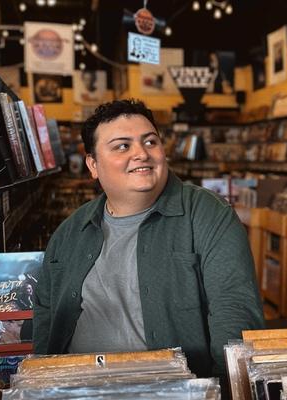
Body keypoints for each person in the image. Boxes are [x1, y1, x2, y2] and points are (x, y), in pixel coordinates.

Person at [33, 99, 265, 387]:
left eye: (150, 142)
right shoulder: (70, 231)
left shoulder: (208, 214)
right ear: (93, 165)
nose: (141, 154)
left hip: (173, 390)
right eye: (122, 146)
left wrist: (227, 389)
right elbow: (44, 315)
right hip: (76, 388)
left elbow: (235, 311)